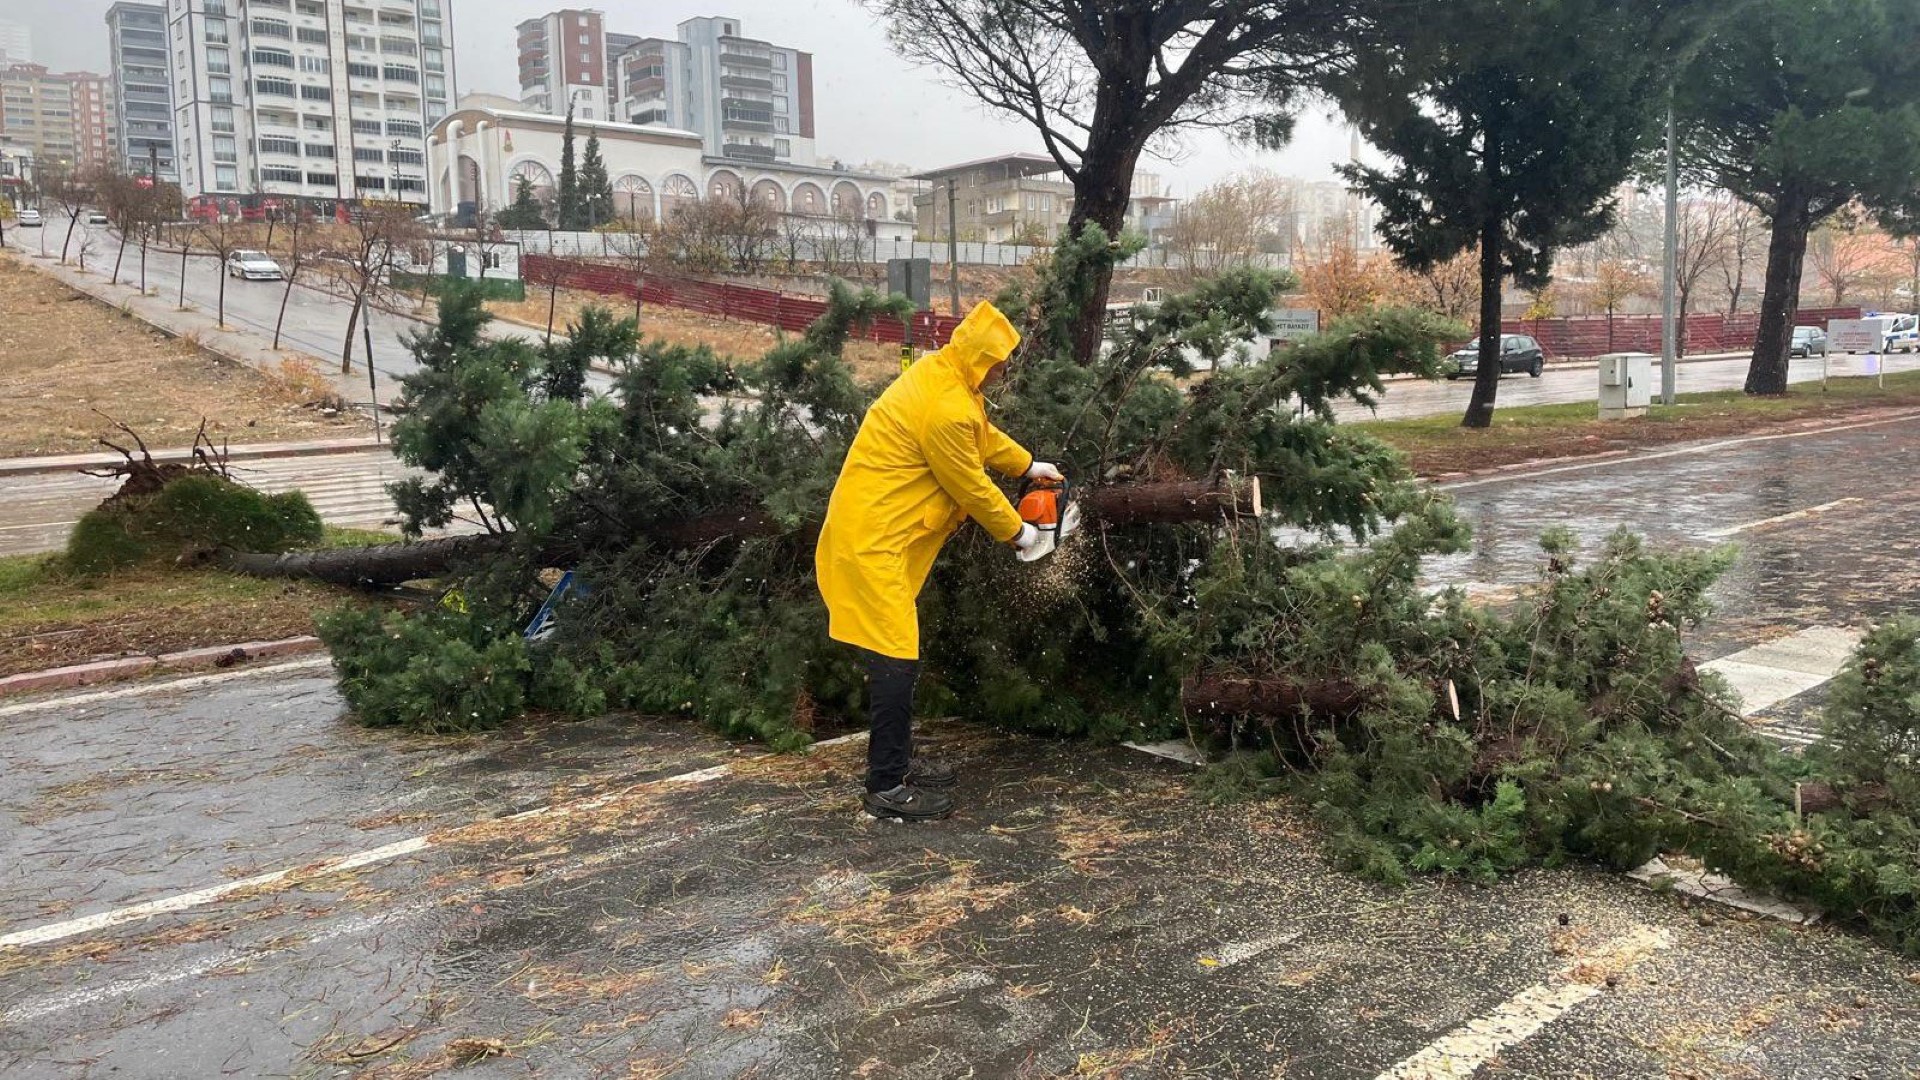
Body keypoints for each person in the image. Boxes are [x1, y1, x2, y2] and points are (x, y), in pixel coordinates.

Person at [816, 301, 1064, 821]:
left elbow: (980, 437)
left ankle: (897, 763)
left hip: (886, 534)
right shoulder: (946, 406)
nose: (1002, 372)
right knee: (895, 656)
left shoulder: (948, 380)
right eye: (998, 363)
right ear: (981, 358)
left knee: (896, 653)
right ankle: (885, 786)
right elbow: (969, 484)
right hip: (872, 541)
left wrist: (1028, 463)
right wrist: (1020, 533)